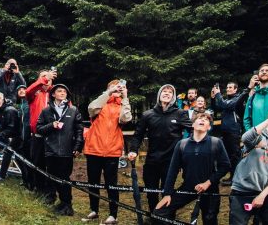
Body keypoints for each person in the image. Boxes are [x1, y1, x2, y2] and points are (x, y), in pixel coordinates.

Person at [154, 111, 230, 225]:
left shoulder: (216, 142)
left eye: (206, 119)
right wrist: (167, 194)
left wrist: (208, 182)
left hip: (210, 189)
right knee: (160, 212)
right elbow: (173, 170)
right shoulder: (182, 144)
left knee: (209, 219)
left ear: (209, 127)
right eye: (200, 118)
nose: (203, 120)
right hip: (188, 187)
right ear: (193, 124)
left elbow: (225, 166)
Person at [127, 84, 192, 214]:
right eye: (164, 91)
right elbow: (138, 135)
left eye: (170, 92)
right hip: (152, 160)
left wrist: (189, 148)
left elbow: (193, 130)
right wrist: (133, 150)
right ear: (159, 95)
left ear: (173, 97)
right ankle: (154, 215)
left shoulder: (180, 113)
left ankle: (167, 217)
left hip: (171, 161)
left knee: (167, 191)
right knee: (151, 191)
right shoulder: (148, 114)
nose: (167, 93)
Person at [81, 80, 132, 224]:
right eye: (114, 86)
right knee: (93, 182)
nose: (117, 89)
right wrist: (109, 93)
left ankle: (113, 215)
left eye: (120, 87)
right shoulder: (101, 104)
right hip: (94, 149)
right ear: (108, 88)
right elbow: (91, 109)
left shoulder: (121, 105)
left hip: (112, 151)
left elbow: (126, 118)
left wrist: (125, 97)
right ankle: (94, 210)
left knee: (112, 184)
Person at [228, 106, 268, 225]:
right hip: (241, 191)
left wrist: (262, 195)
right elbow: (245, 138)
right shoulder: (258, 136)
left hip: (265, 192)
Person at [36, 83, 84, 216]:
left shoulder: (73, 110)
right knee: (52, 177)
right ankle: (54, 200)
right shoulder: (46, 111)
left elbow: (79, 130)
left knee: (64, 178)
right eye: (59, 91)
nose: (62, 93)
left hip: (66, 151)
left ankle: (67, 204)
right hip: (50, 150)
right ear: (53, 94)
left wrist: (78, 146)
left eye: (64, 91)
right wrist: (51, 125)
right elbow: (39, 129)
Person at [26, 68, 57, 197]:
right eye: (43, 76)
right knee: (37, 163)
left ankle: (51, 193)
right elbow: (27, 91)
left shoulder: (57, 93)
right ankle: (39, 190)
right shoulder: (35, 93)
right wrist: (44, 78)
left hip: (54, 136)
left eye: (48, 76)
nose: (46, 78)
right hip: (37, 135)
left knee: (52, 165)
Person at [212, 81, 248, 185]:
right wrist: (213, 98)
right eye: (227, 87)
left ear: (235, 89)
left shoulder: (237, 99)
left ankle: (236, 178)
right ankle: (232, 177)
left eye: (230, 87)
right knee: (228, 156)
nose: (228, 89)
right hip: (225, 132)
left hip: (233, 132)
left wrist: (218, 94)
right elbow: (217, 108)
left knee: (235, 156)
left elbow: (223, 104)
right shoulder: (227, 100)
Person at [0, 91, 22, 181]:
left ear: (3, 100)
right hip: (8, 134)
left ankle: (3, 176)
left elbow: (12, 129)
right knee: (9, 153)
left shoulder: (10, 110)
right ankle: (2, 176)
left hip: (19, 136)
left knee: (19, 157)